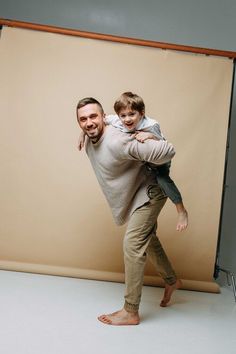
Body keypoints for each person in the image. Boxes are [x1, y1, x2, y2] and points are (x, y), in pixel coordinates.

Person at [76, 97, 182, 326]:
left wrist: (153, 137)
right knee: (148, 238)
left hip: (150, 193)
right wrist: (86, 132)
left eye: (93, 116)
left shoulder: (118, 140)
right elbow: (91, 130)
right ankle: (172, 280)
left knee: (133, 244)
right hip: (135, 194)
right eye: (83, 119)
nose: (88, 123)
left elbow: (168, 151)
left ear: (104, 117)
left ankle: (130, 311)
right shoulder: (92, 135)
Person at [78, 92, 188, 231]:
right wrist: (83, 133)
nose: (127, 119)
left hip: (159, 166)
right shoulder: (116, 120)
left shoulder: (150, 125)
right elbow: (96, 122)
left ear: (141, 113)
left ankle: (181, 210)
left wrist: (150, 135)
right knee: (149, 242)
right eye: (123, 115)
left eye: (132, 114)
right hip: (146, 169)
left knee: (163, 180)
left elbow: (166, 147)